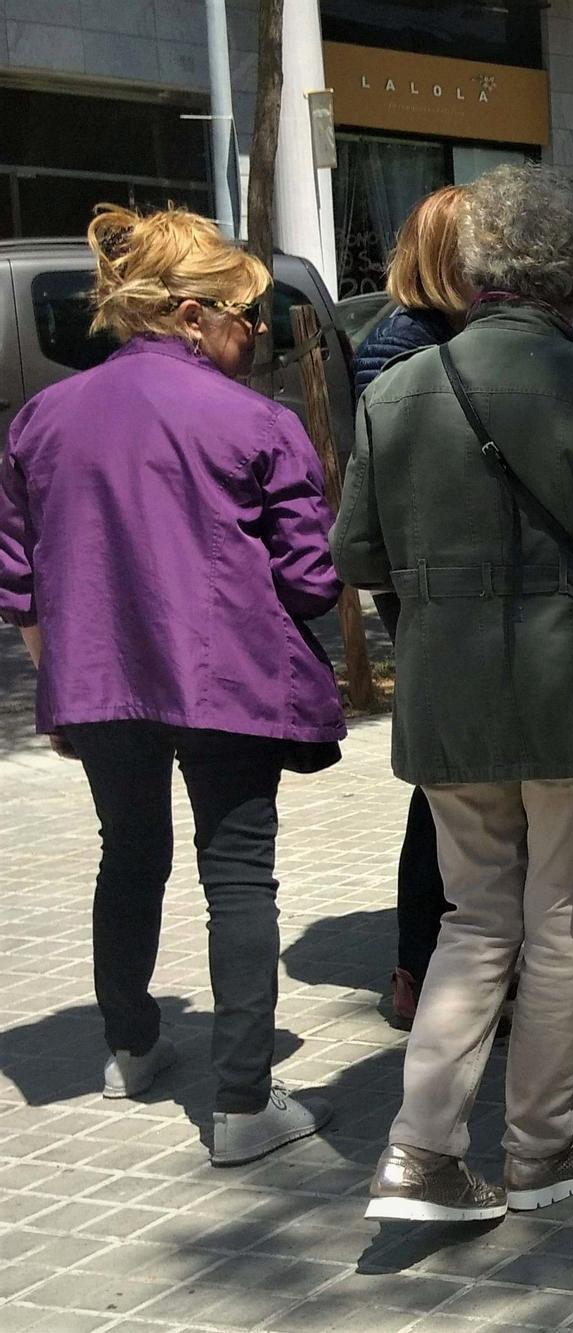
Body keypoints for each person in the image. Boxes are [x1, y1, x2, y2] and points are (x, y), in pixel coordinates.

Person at [334, 164, 573, 1221]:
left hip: (447, 697)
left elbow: (357, 549)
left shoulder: (399, 387)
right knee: (563, 929)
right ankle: (542, 1148)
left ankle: (419, 1153)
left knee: (473, 920)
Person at [0, 204, 343, 1165]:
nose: (257, 332)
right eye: (245, 315)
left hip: (99, 677)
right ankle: (241, 1103)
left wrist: (55, 669)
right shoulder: (256, 420)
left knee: (130, 849)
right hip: (226, 672)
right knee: (237, 873)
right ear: (192, 316)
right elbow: (313, 579)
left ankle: (128, 1043)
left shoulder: (42, 416)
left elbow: (15, 573)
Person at [351, 185, 473, 1030]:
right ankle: (424, 968)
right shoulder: (400, 346)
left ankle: (437, 965)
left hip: (444, 586)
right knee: (448, 785)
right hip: (433, 590)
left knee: (458, 783)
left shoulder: (457, 333)